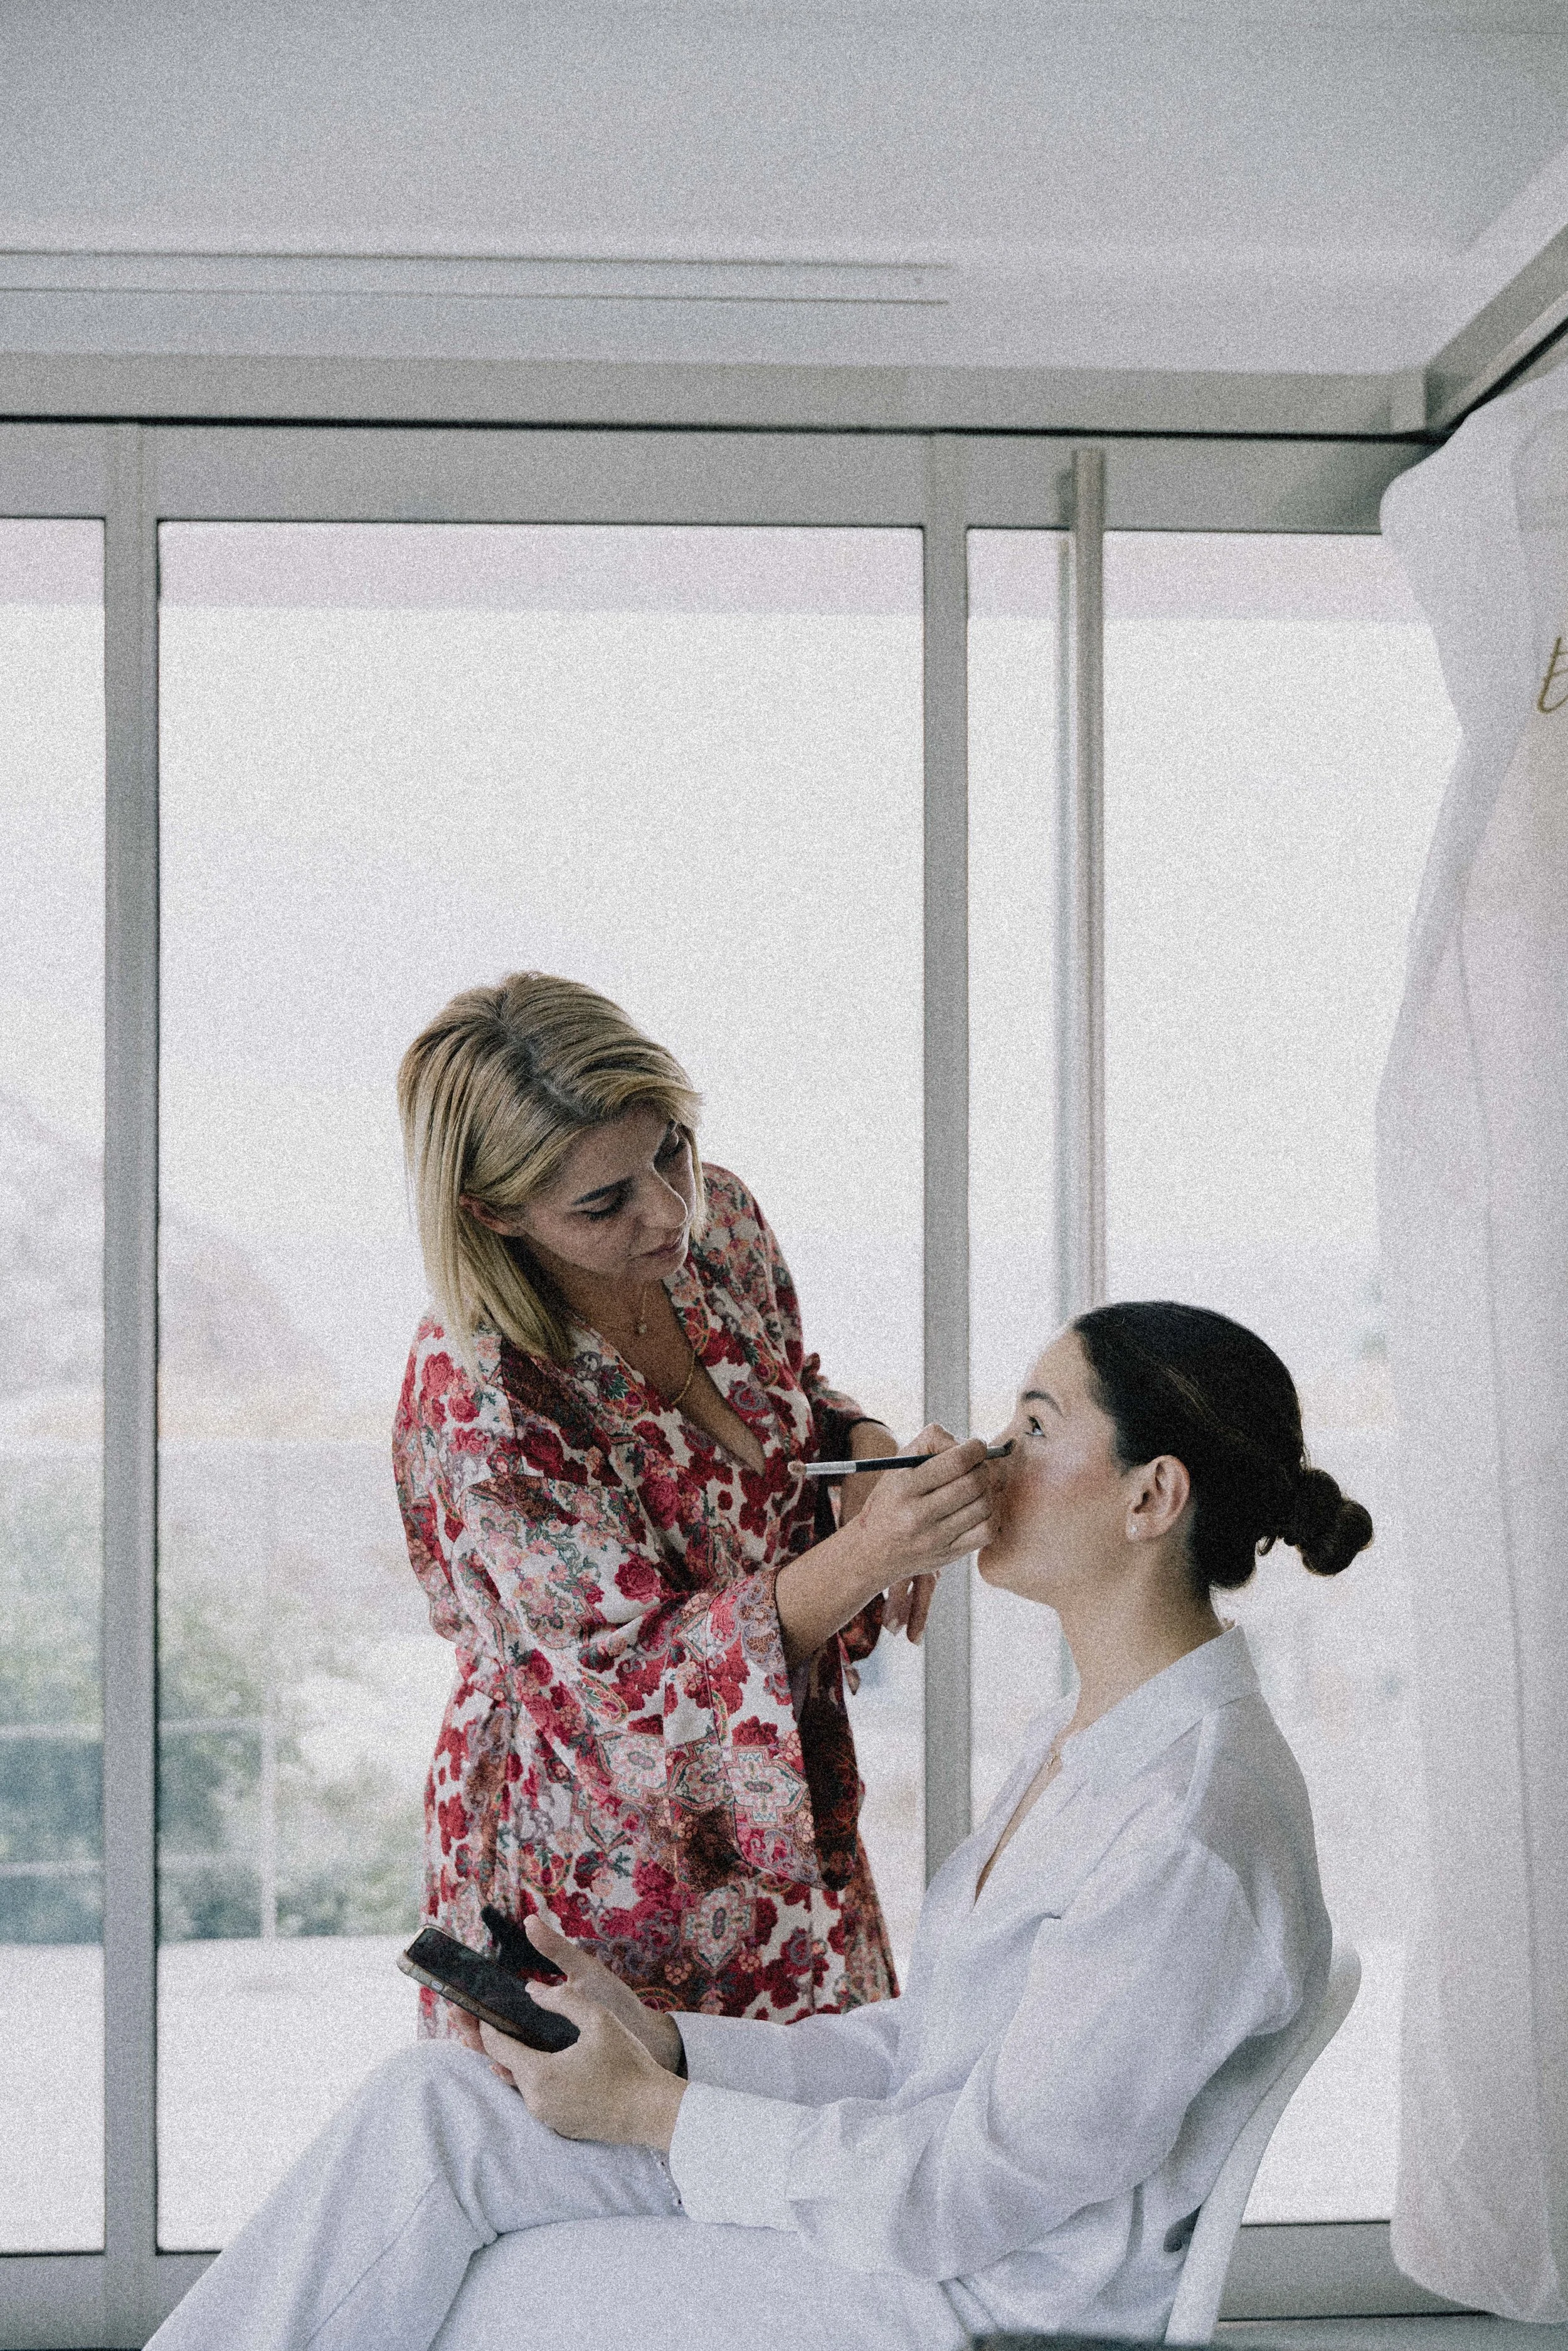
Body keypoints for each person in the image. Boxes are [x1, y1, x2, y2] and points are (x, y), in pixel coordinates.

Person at [147, 1300, 1373, 2351]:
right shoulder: (1094, 1735)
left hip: (973, 2296)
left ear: (1152, 1496)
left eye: (1036, 1428)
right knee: (438, 2103)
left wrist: (651, 2114)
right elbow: (929, 2052)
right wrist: (666, 2046)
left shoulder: (1184, 1833)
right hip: (905, 2215)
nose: (980, 1454)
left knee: (485, 2291)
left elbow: (966, 2192)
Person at [393, 972, 992, 2031]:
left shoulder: (723, 1230)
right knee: (638, 2126)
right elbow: (632, 1688)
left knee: (826, 2109)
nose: (668, 1211)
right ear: (493, 1211)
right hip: (596, 1857)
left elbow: (791, 1395)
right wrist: (873, 1557)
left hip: (791, 1816)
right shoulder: (483, 1395)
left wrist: (864, 1451)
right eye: (603, 1204)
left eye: (670, 1150)